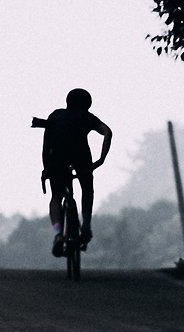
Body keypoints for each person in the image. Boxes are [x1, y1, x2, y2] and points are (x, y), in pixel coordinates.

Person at [40, 88, 112, 256]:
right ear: (88, 104)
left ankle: (58, 233)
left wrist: (46, 168)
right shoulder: (87, 117)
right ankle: (85, 226)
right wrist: (101, 159)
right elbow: (107, 132)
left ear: (67, 102)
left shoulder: (56, 115)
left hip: (56, 159)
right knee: (87, 189)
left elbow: (46, 144)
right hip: (82, 158)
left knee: (56, 197)